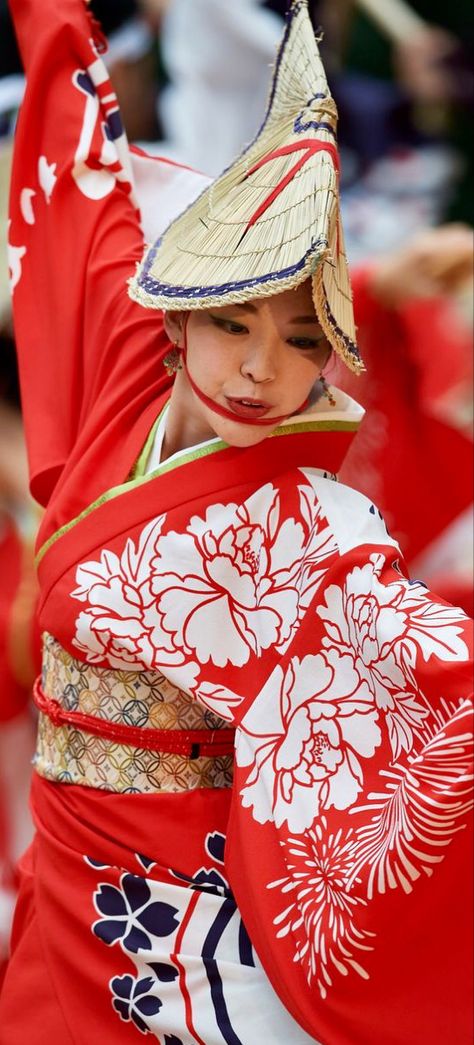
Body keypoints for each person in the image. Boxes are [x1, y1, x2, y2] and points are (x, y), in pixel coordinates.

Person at [1, 1, 472, 1043]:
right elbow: (83, 165)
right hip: (61, 886)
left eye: (305, 341)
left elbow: (444, 700)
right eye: (230, 322)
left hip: (184, 943)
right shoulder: (121, 376)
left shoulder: (317, 530)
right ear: (171, 316)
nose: (261, 370)